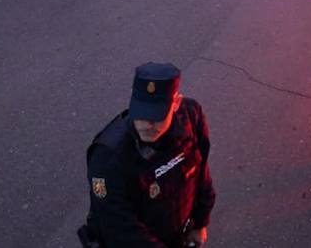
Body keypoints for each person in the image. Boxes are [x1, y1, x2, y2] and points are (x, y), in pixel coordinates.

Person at [82, 63, 214, 248]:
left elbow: (202, 173)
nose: (147, 124)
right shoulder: (108, 156)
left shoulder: (191, 115)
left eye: (157, 116)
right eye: (141, 113)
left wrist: (200, 222)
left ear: (176, 104)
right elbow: (120, 229)